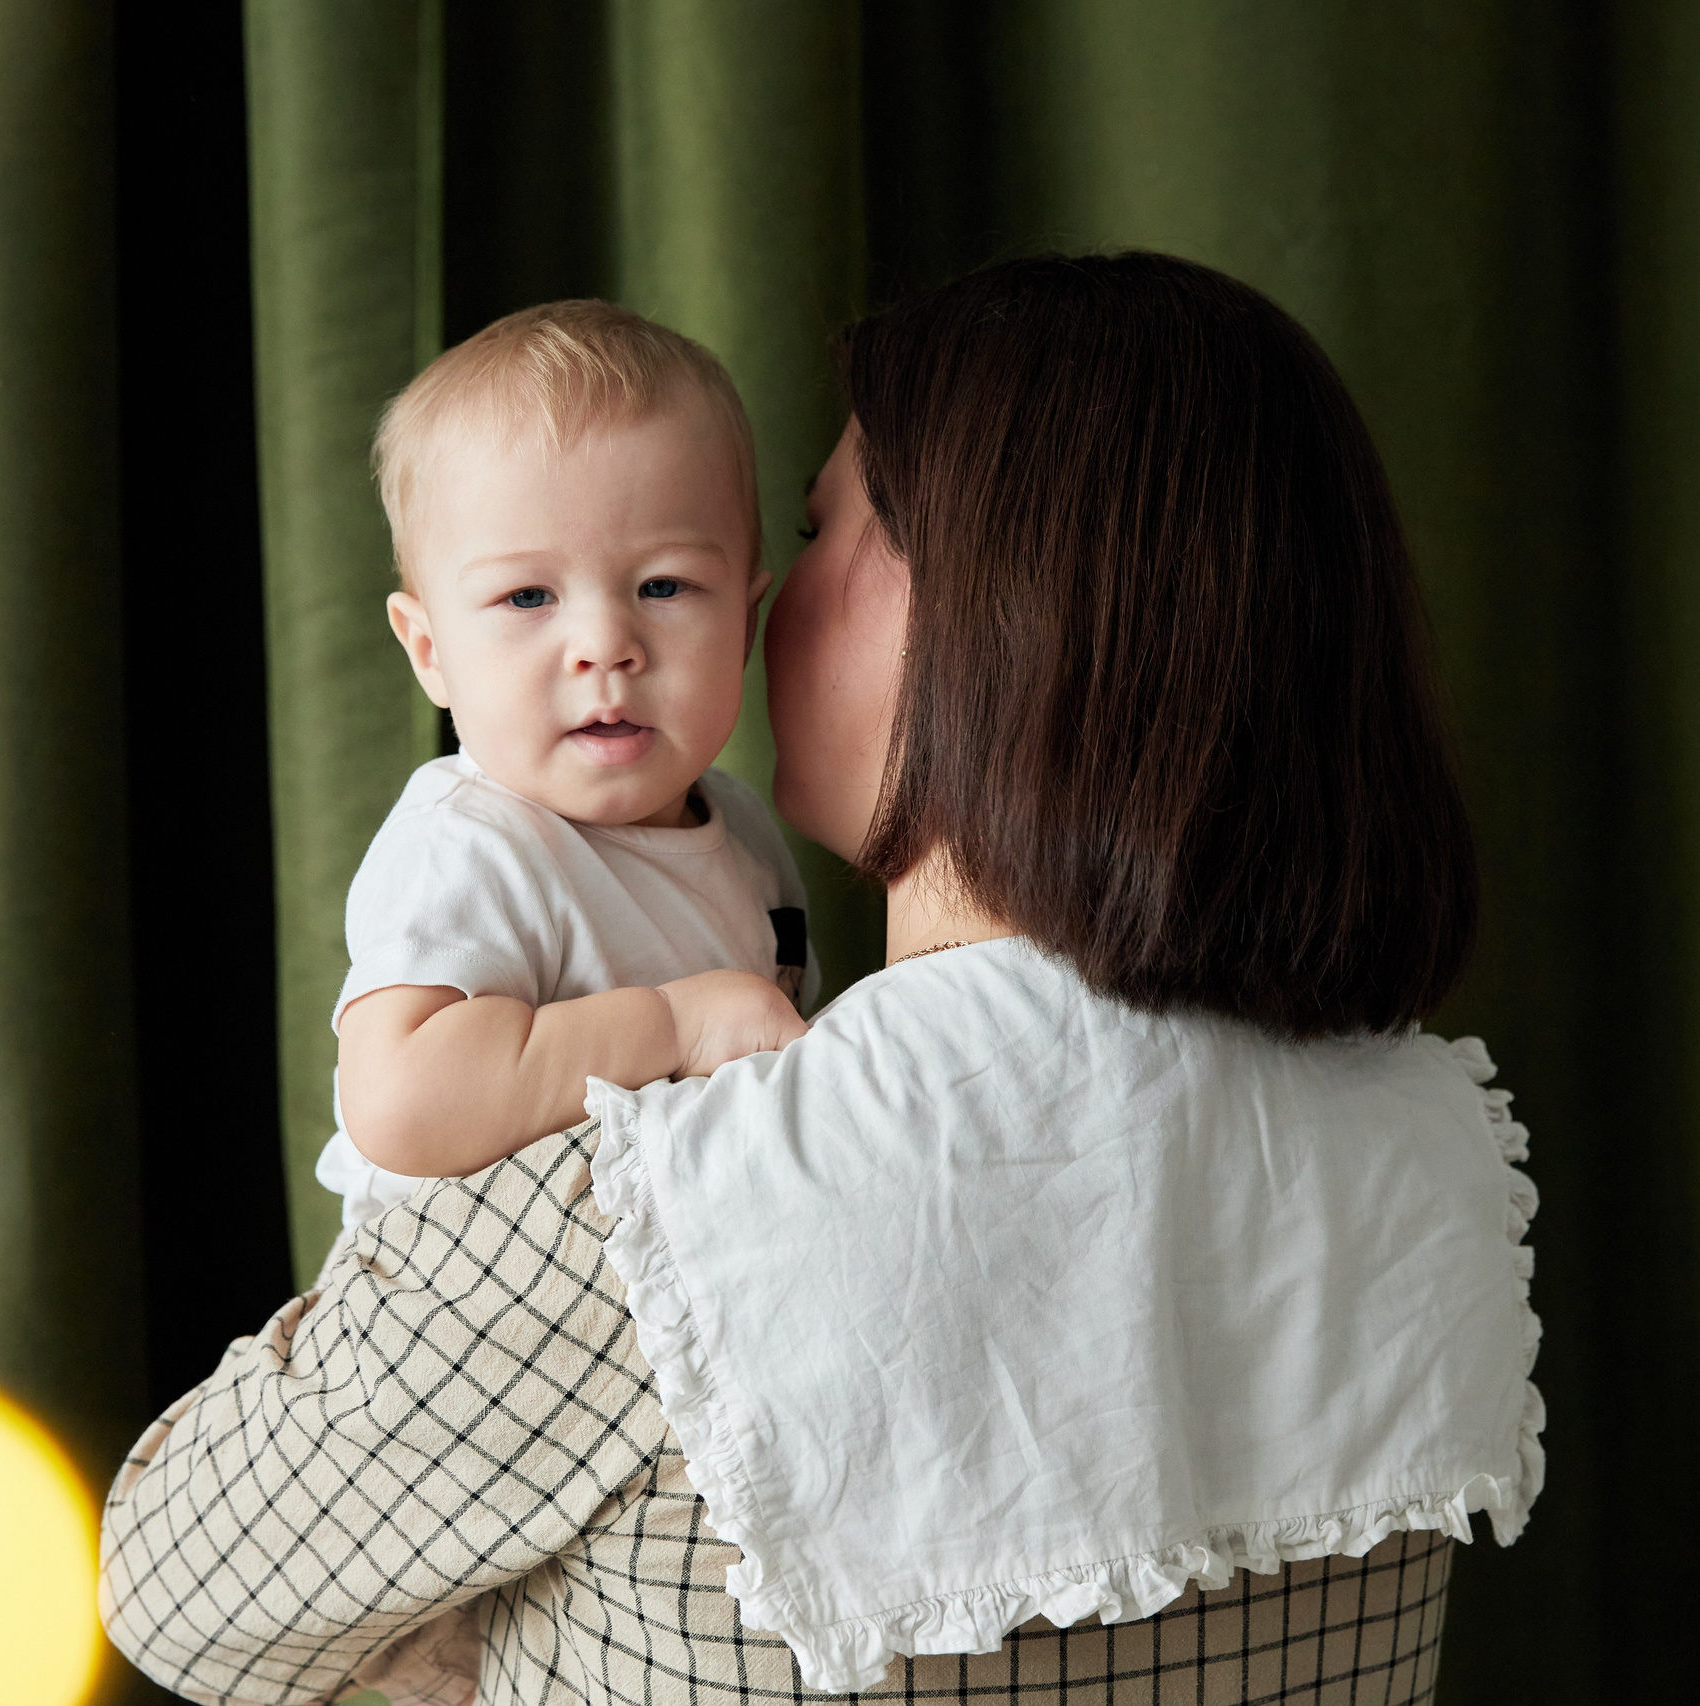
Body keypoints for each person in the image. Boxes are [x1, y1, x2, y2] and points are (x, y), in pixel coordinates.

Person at [101, 254, 1543, 1705]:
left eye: (802, 538)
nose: (744, 614)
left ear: (981, 611)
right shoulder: (1425, 1143)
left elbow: (178, 1583)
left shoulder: (672, 1203)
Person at [314, 299, 817, 1236]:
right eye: (527, 595)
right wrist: (674, 1029)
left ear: (745, 624)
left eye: (663, 586)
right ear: (429, 650)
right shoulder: (468, 846)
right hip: (470, 1325)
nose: (604, 645)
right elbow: (398, 1100)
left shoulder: (743, 832)